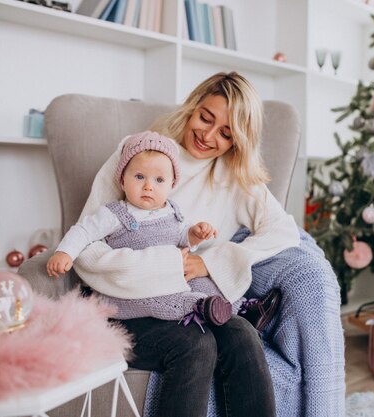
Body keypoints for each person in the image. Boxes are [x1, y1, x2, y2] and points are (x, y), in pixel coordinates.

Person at [70, 72, 300, 417]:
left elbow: (284, 230)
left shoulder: (234, 178)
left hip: (186, 302)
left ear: (238, 141)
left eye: (225, 132)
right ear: (193, 106)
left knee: (241, 334)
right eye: (205, 118)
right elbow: (85, 248)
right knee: (196, 344)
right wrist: (166, 266)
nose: (208, 136)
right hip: (122, 306)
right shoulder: (140, 152)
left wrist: (214, 262)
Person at [46, 131, 246, 328]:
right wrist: (65, 252)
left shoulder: (172, 211)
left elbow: (181, 235)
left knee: (204, 284)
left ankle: (242, 307)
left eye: (159, 180)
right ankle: (199, 308)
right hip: (135, 289)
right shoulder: (115, 214)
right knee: (162, 300)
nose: (148, 186)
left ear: (171, 185)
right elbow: (83, 231)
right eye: (140, 177)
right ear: (123, 180)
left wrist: (193, 235)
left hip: (168, 277)